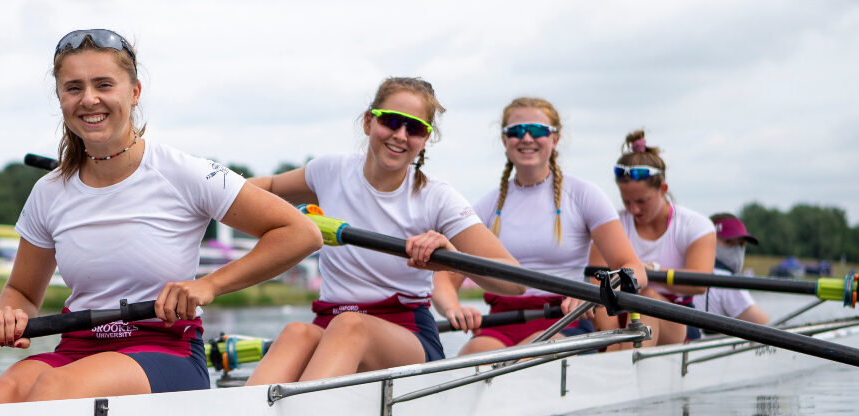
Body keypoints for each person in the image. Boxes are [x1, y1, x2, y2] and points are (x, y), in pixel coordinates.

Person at [0, 29, 321, 405]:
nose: (89, 99)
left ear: (134, 92)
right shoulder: (49, 191)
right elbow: (23, 292)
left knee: (54, 390)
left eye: (104, 84)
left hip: (165, 349)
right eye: (74, 88)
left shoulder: (185, 172)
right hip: (78, 348)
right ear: (60, 98)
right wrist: (9, 315)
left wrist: (209, 286)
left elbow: (300, 232)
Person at [242, 77, 523, 385]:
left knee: (350, 325)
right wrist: (205, 194)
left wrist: (451, 258)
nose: (401, 136)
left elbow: (514, 281)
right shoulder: (329, 172)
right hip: (329, 326)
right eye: (391, 121)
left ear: (425, 139)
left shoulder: (437, 198)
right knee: (296, 331)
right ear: (368, 122)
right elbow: (266, 188)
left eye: (414, 128)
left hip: (407, 338)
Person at [446, 97, 648, 355]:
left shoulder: (584, 195)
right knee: (468, 364)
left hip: (565, 320)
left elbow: (634, 269)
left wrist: (595, 292)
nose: (527, 138)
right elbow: (445, 276)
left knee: (522, 359)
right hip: (502, 323)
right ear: (504, 140)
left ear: (555, 139)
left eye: (538, 130)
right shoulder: (486, 206)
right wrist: (454, 307)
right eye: (516, 131)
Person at [605, 130, 716, 345]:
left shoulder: (696, 226)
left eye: (642, 201)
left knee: (644, 297)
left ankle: (619, 368)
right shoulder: (612, 225)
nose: (634, 209)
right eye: (626, 201)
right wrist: (608, 338)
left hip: (677, 318)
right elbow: (595, 280)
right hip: (620, 313)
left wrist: (647, 273)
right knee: (635, 303)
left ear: (663, 189)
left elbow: (699, 285)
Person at [695, 213, 768, 325]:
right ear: (709, 241)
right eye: (728, 242)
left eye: (741, 244)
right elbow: (762, 323)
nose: (736, 250)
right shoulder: (726, 280)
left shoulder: (688, 268)